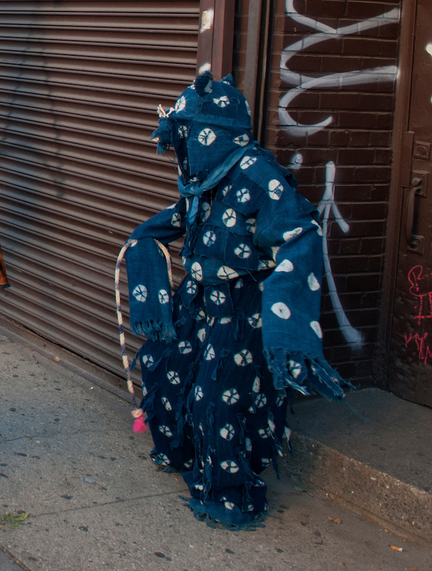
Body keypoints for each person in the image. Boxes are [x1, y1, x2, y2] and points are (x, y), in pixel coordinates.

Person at [123, 73, 346, 528]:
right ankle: (182, 452)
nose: (183, 148)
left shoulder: (258, 175)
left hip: (241, 306)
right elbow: (179, 218)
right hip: (198, 297)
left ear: (213, 134)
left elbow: (300, 233)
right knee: (167, 369)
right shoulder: (203, 179)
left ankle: (230, 492)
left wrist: (284, 304)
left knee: (216, 397)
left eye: (188, 135)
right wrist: (143, 241)